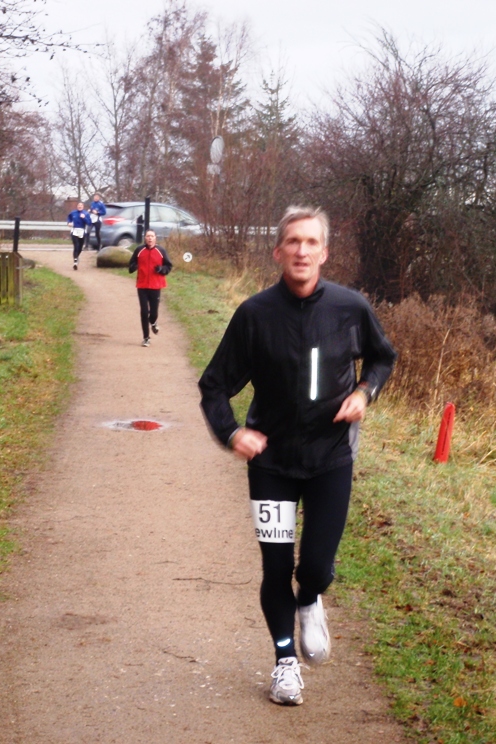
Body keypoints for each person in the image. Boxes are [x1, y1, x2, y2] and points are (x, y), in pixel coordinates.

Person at [198, 205, 396, 706]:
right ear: (278, 252)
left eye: (311, 243)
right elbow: (214, 385)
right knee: (274, 566)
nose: (302, 251)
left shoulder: (350, 308)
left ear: (324, 252)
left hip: (331, 459)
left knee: (316, 567)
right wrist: (231, 433)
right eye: (293, 243)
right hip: (272, 465)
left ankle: (310, 598)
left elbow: (382, 357)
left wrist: (365, 393)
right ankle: (285, 663)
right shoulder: (255, 314)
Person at [128, 229, 172, 347]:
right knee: (143, 312)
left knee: (153, 312)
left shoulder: (161, 250)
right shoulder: (139, 250)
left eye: (152, 236)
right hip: (142, 285)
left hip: (156, 285)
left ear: (155, 238)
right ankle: (146, 338)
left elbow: (168, 266)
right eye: (148, 236)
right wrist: (134, 267)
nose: (150, 238)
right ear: (145, 238)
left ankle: (153, 321)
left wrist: (161, 270)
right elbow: (130, 265)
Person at [67, 201, 92, 270]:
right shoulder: (73, 213)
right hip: (74, 231)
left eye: (81, 205)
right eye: (78, 205)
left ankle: (76, 257)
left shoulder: (86, 214)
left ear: (83, 207)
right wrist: (69, 223)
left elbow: (89, 223)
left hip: (82, 231)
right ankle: (75, 262)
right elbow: (69, 218)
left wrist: (84, 218)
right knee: (76, 246)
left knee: (80, 247)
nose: (79, 206)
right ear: (77, 206)